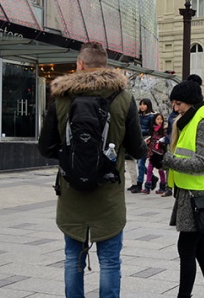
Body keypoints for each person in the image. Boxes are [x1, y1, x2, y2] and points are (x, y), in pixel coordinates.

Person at [38, 41, 146, 297]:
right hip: (108, 193)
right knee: (109, 260)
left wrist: (72, 157)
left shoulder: (61, 98)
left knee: (71, 258)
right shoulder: (124, 98)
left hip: (71, 191)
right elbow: (137, 149)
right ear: (106, 66)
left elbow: (45, 147)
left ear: (80, 65)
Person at [162, 80, 204, 298]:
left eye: (178, 103)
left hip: (199, 197)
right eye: (173, 103)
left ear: (190, 102)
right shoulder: (188, 122)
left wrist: (169, 160)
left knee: (187, 248)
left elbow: (202, 162)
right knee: (199, 248)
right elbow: (184, 156)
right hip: (189, 194)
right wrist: (161, 157)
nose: (175, 108)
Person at [131, 98, 156, 193]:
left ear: (148, 105)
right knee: (139, 164)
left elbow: (152, 130)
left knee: (141, 163)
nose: (142, 106)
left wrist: (140, 131)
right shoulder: (138, 116)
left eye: (144, 104)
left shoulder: (151, 117)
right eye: (141, 104)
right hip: (139, 141)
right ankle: (152, 177)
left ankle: (139, 184)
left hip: (148, 141)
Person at [142, 113, 167, 195]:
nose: (160, 121)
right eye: (158, 119)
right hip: (152, 152)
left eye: (161, 119)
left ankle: (163, 186)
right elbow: (151, 138)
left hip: (160, 153)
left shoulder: (163, 130)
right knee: (149, 169)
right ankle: (147, 187)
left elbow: (165, 141)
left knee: (161, 170)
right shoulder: (152, 129)